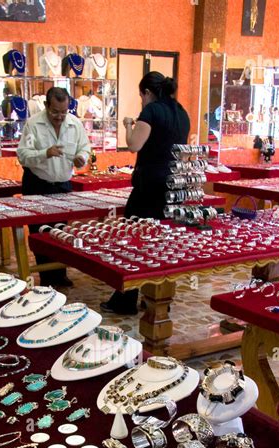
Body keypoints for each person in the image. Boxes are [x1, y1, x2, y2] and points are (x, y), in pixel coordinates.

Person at [100, 71, 190, 315]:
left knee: (134, 239)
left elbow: (134, 145)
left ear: (147, 92)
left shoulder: (151, 111)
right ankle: (159, 298)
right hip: (174, 186)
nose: (141, 101)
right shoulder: (181, 112)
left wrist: (129, 126)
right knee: (161, 241)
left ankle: (126, 299)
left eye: (141, 96)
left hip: (150, 185)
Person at [17, 86, 91, 286]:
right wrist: (44, 153)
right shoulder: (33, 124)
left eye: (63, 112)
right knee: (40, 233)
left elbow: (85, 147)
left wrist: (81, 158)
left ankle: (60, 274)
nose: (59, 117)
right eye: (55, 112)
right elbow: (22, 155)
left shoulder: (75, 124)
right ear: (46, 106)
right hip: (37, 184)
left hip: (63, 186)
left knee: (61, 231)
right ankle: (46, 278)